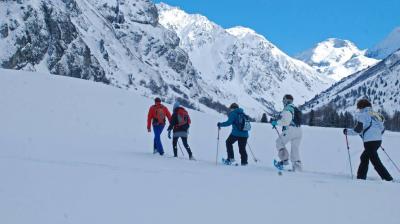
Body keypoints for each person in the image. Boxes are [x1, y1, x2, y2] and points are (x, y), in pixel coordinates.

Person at [343, 99, 393, 181]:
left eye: (359, 107)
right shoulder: (374, 114)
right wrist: (376, 135)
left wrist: (347, 132)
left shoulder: (362, 115)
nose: (358, 109)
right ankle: (361, 178)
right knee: (364, 157)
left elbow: (358, 130)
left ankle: (388, 179)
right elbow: (382, 129)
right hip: (378, 141)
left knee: (375, 161)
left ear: (361, 106)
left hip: (369, 142)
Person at [271, 94, 303, 171]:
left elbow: (286, 121)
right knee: (295, 148)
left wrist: (276, 122)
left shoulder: (288, 108)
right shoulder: (295, 108)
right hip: (299, 130)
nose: (283, 101)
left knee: (279, 142)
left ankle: (284, 161)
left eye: (284, 99)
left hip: (290, 130)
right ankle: (297, 167)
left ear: (287, 100)